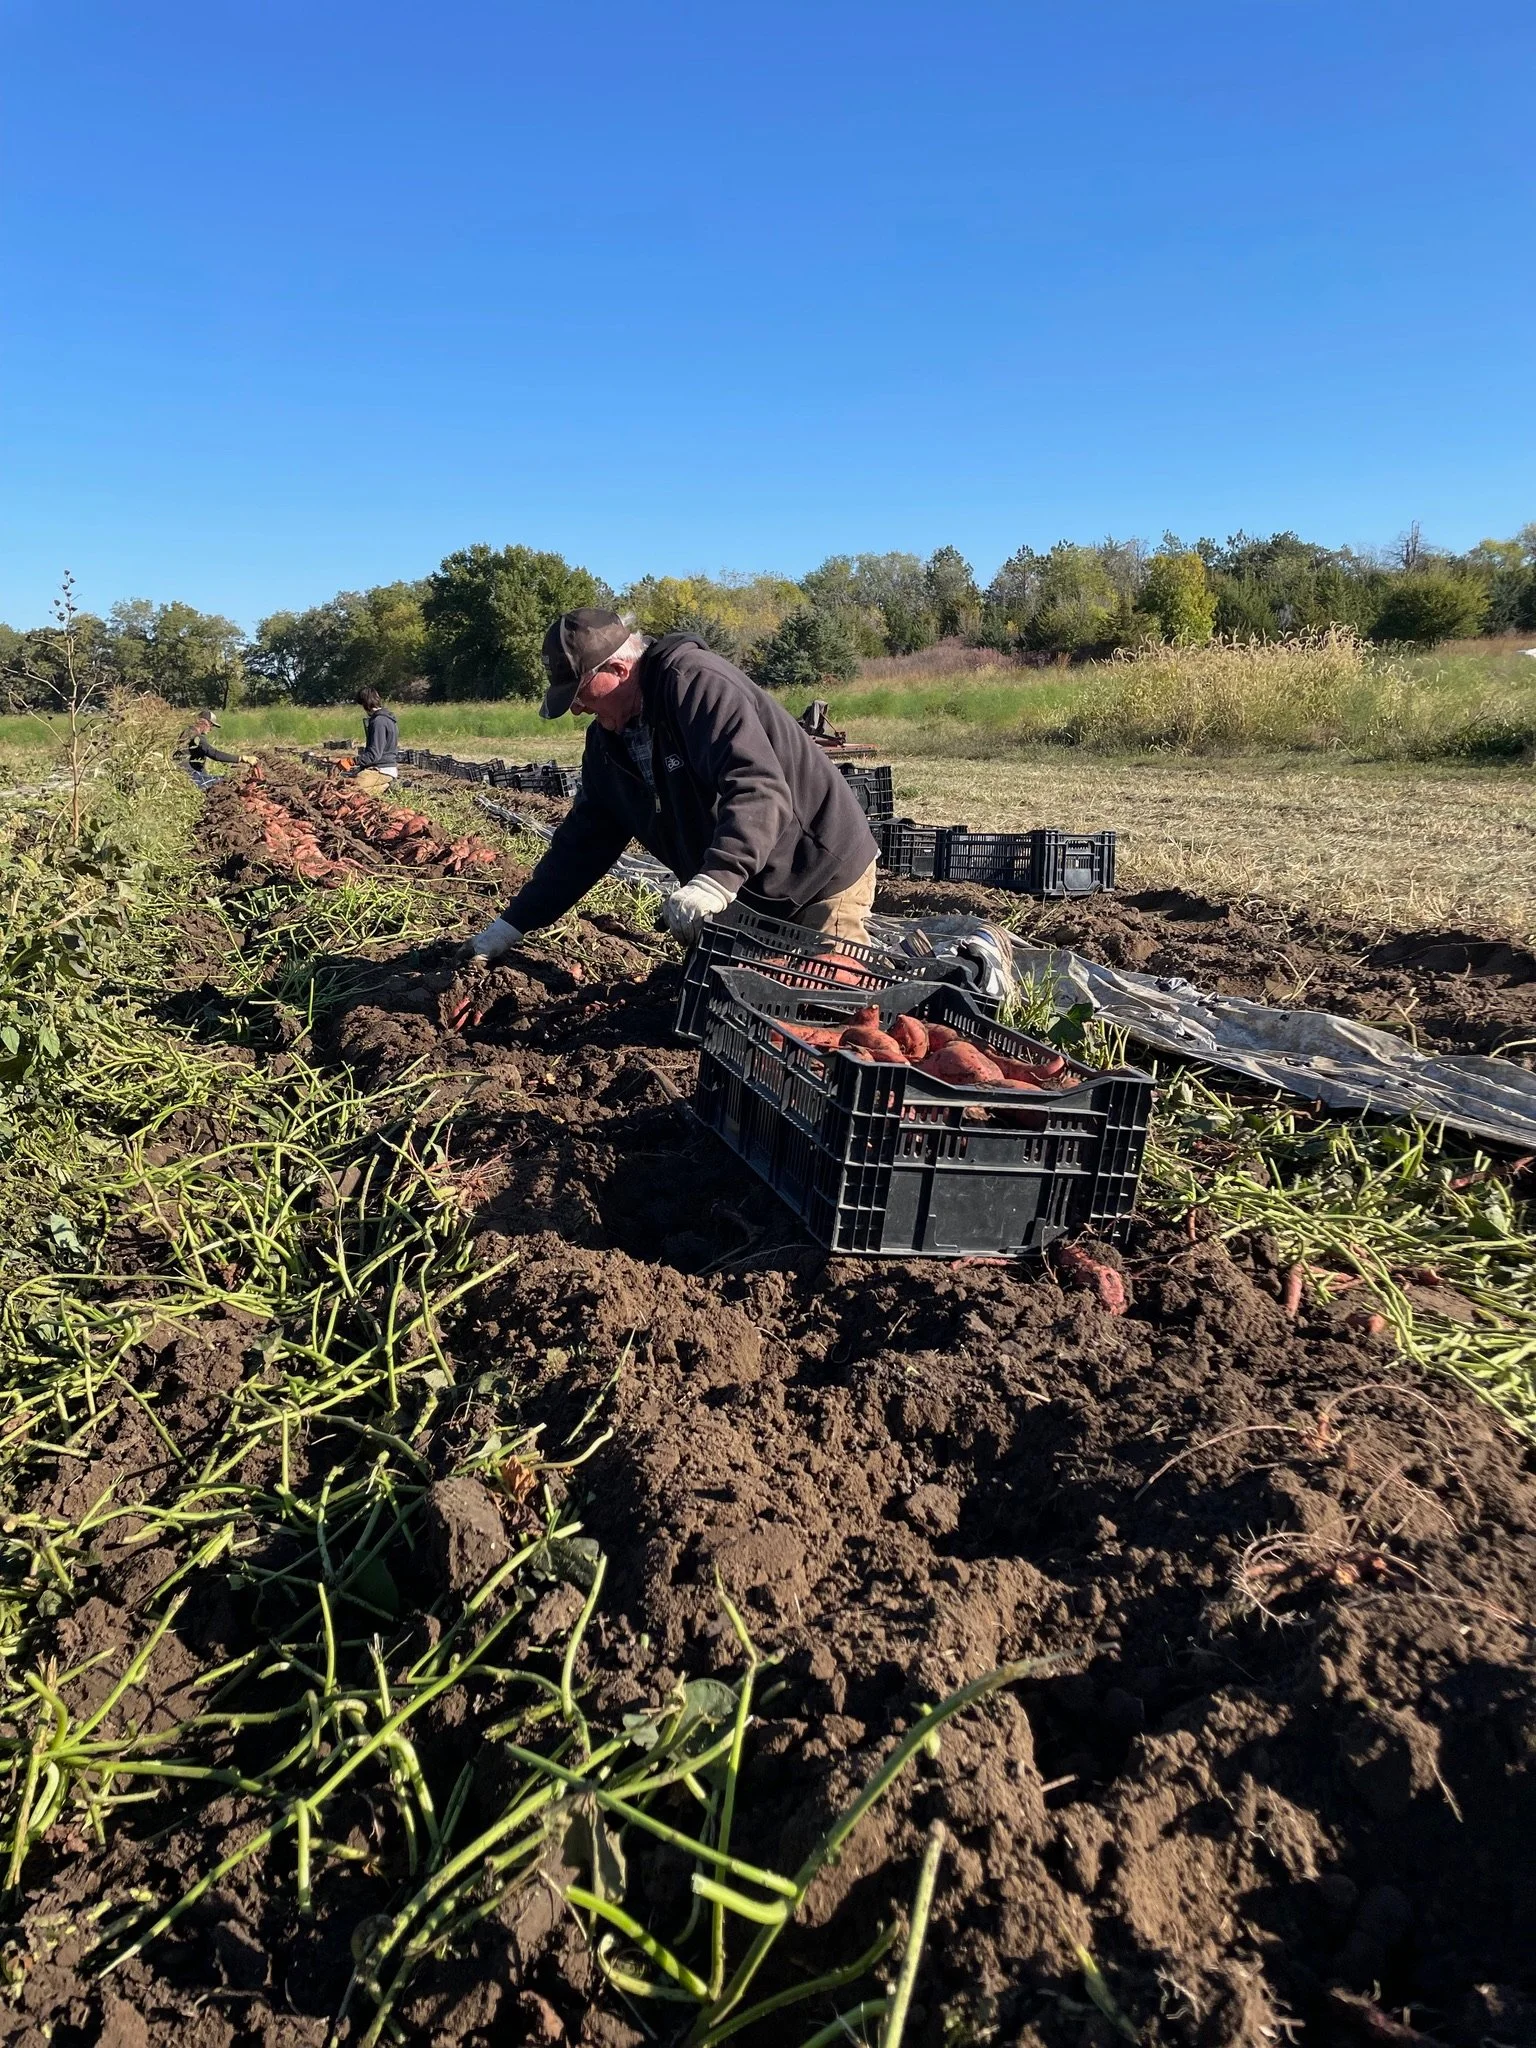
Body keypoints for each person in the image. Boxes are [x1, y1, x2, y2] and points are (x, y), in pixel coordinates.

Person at [467, 610, 879, 961]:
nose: (576, 707)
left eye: (579, 691)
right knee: (731, 1018)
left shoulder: (696, 685)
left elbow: (757, 787)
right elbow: (584, 843)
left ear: (617, 669)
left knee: (831, 1013)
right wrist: (511, 925)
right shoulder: (608, 742)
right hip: (747, 890)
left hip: (817, 872)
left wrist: (715, 881)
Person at [176, 711, 251, 790]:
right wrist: (241, 758)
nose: (211, 729)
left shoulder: (188, 732)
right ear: (204, 722)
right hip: (191, 777)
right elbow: (214, 754)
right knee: (225, 781)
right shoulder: (197, 737)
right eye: (211, 725)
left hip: (187, 774)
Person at [348, 688, 400, 796]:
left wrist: (350, 761)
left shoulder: (378, 722)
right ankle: (385, 786)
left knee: (349, 788)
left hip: (380, 769)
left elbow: (374, 754)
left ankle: (386, 784)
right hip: (387, 769)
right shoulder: (388, 719)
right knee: (364, 793)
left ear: (365, 704)